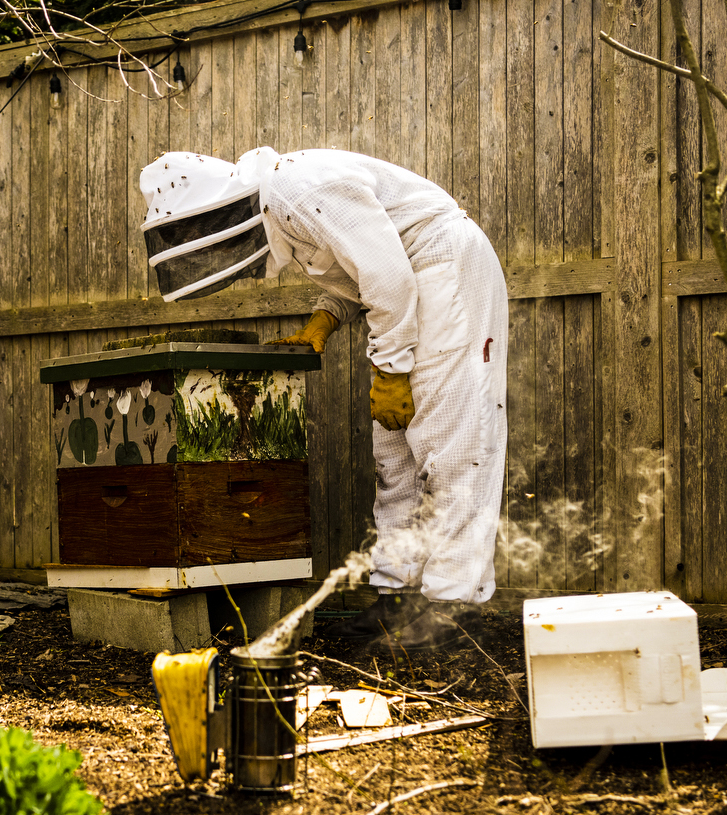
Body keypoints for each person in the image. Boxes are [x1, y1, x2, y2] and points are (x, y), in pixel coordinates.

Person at [138, 147, 508, 649]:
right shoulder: (288, 205)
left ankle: (450, 612)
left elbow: (388, 277)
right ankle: (396, 600)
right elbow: (360, 270)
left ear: (215, 214)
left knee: (454, 446)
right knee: (394, 455)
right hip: (414, 282)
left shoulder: (299, 189)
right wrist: (323, 321)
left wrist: (392, 373)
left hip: (444, 268)